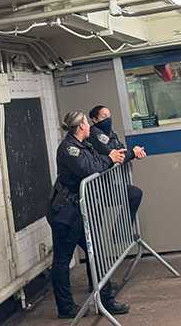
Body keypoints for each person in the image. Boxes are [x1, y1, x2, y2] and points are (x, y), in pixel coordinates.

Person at [47, 109, 130, 319]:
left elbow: (98, 160)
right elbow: (90, 168)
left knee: (98, 254)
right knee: (62, 261)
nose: (89, 126)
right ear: (83, 126)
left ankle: (106, 300)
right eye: (87, 122)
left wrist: (110, 158)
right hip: (65, 213)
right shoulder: (69, 149)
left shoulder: (83, 145)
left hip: (78, 212)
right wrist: (110, 159)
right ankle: (66, 308)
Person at [86, 105, 145, 219]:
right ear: (94, 119)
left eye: (109, 116)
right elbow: (116, 155)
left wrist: (135, 153)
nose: (108, 119)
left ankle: (125, 232)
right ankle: (123, 233)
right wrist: (132, 153)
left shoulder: (111, 134)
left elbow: (122, 150)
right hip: (97, 187)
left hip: (106, 183)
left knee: (134, 194)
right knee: (134, 194)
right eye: (104, 116)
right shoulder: (95, 133)